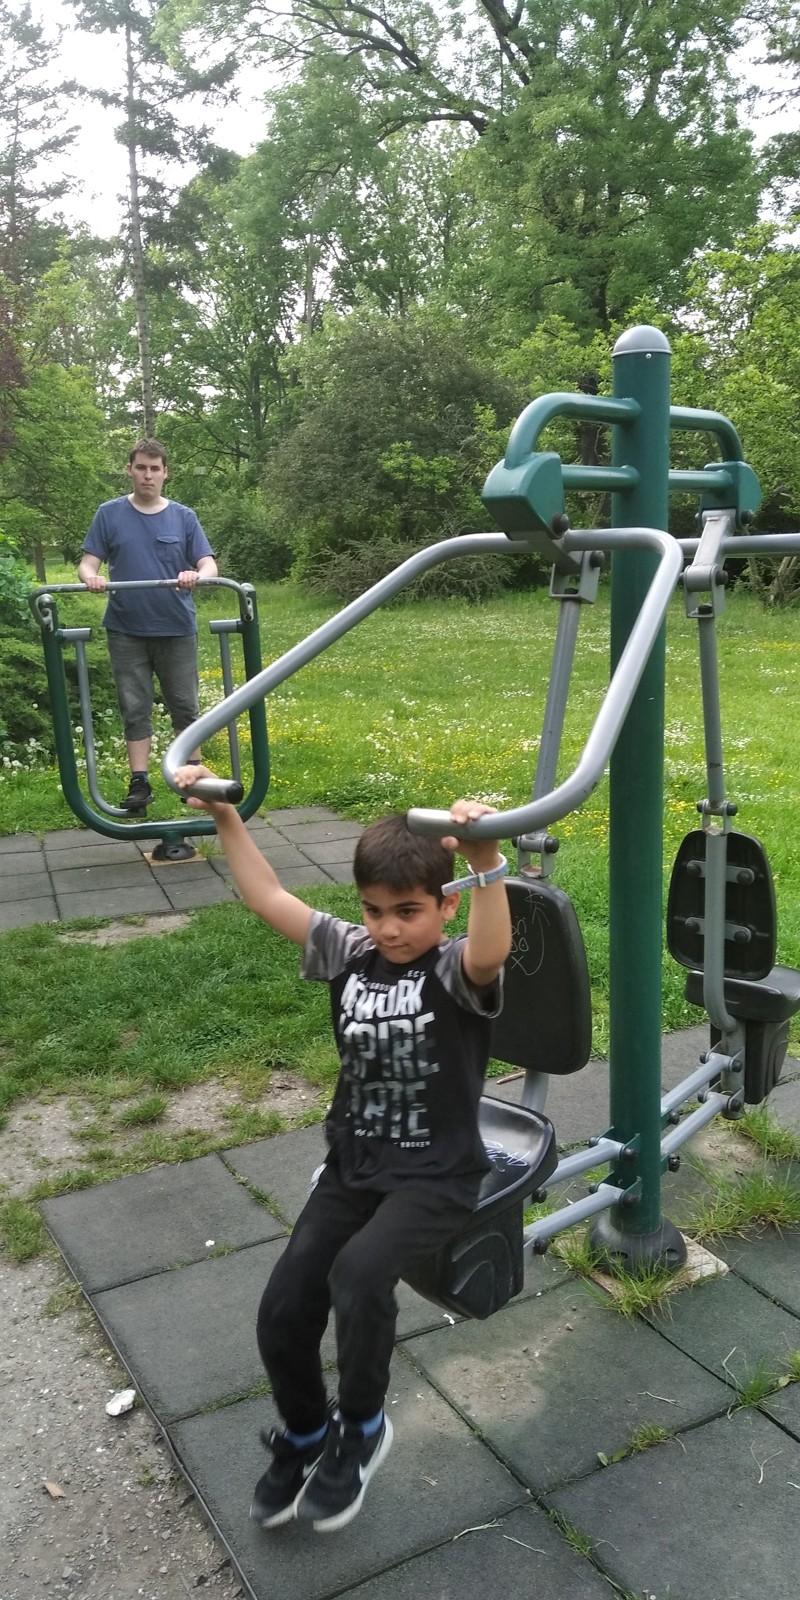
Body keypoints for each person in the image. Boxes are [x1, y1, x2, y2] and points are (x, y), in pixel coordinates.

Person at [174, 767, 512, 1534]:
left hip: (436, 1175)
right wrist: (226, 817)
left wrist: (487, 863)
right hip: (355, 1166)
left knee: (359, 1275)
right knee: (284, 1306)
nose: (389, 929)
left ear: (445, 905)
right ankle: (305, 1433)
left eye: (408, 911)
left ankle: (360, 1428)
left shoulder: (453, 969)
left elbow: (492, 952)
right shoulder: (349, 951)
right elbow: (267, 897)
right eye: (375, 910)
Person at [78, 438, 218, 814]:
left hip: (176, 627)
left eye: (155, 469)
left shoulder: (183, 517)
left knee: (185, 705)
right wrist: (92, 578)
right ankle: (139, 782)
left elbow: (209, 564)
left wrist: (196, 575)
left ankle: (193, 777)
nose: (148, 475)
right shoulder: (109, 514)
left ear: (165, 473)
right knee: (134, 707)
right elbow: (88, 563)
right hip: (126, 628)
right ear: (130, 470)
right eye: (141, 467)